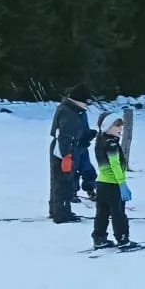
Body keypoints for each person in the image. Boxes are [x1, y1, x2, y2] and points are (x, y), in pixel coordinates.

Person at [48, 85, 91, 223]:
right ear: (78, 100)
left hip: (63, 149)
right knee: (64, 182)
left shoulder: (69, 109)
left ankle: (56, 210)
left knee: (58, 182)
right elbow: (64, 136)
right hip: (63, 152)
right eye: (85, 101)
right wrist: (66, 156)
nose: (86, 104)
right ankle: (62, 214)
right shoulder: (68, 112)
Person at [91, 113, 134, 250]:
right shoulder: (112, 143)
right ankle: (123, 239)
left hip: (101, 183)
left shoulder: (100, 140)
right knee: (118, 213)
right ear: (107, 127)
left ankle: (99, 238)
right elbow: (114, 164)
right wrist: (122, 183)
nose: (120, 128)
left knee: (102, 213)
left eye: (121, 125)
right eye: (116, 125)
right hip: (113, 184)